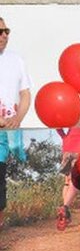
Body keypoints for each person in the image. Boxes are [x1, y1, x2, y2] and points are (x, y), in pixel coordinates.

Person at [0, 17, 31, 229]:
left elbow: (25, 93)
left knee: (1, 184)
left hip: (7, 134)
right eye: (0, 31)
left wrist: (17, 118)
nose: (4, 35)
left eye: (7, 31)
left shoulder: (16, 60)